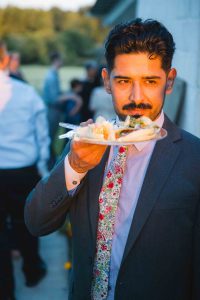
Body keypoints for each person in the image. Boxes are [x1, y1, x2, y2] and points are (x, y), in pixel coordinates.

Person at [25, 19, 200, 300]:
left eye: (150, 81)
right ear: (107, 81)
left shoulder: (194, 159)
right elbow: (36, 222)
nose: (136, 97)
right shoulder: (85, 141)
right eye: (123, 81)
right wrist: (76, 166)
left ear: (169, 81)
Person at [0, 40, 50, 300]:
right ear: (6, 60)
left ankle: (5, 291)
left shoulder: (25, 92)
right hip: (23, 170)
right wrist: (43, 168)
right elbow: (41, 135)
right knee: (26, 224)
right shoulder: (26, 93)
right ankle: (32, 272)